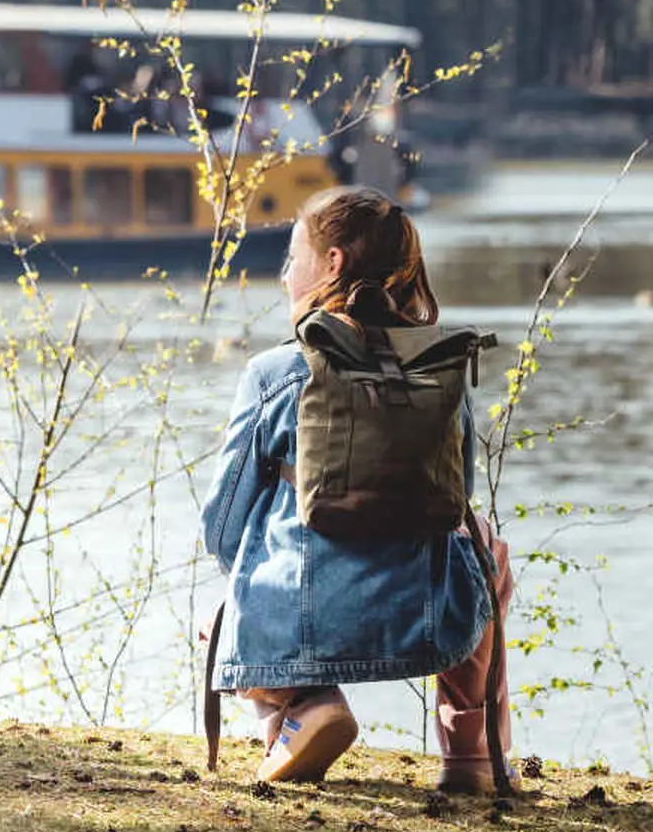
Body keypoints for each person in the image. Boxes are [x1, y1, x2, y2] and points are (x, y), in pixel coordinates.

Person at [200, 189, 515, 790]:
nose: (286, 274)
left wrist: (248, 572)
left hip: (294, 622)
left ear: (333, 263)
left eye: (293, 258)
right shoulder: (439, 368)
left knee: (221, 612)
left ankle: (301, 709)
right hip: (429, 623)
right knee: (486, 549)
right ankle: (472, 753)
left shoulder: (276, 372)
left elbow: (222, 524)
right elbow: (458, 501)